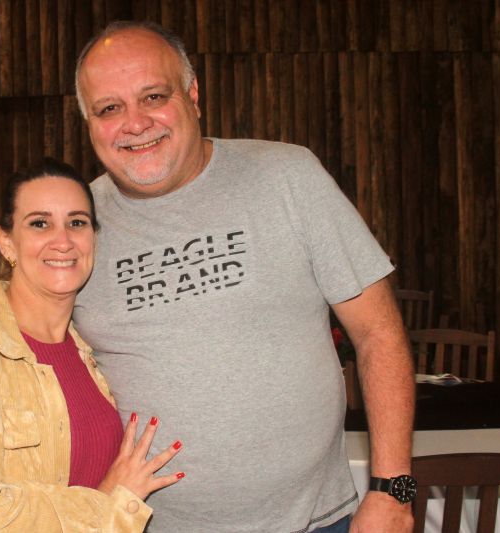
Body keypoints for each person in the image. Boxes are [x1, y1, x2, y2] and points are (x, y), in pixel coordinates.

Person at [72, 21, 415, 533]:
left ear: (193, 95)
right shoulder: (71, 226)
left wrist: (392, 490)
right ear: (89, 122)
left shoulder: (288, 177)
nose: (135, 123)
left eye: (153, 97)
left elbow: (379, 332)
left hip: (316, 523)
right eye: (109, 108)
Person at [0, 158, 185, 532]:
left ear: (93, 238)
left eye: (77, 222)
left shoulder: (89, 346)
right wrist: (108, 502)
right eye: (40, 223)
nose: (63, 240)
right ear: (7, 242)